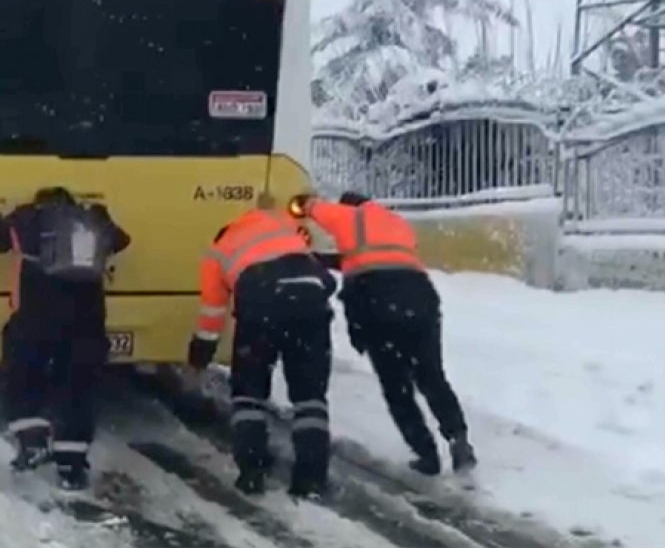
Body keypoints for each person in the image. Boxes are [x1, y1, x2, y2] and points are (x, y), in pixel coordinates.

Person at [294, 191, 477, 476]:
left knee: (396, 386)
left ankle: (426, 454)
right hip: (420, 295)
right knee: (431, 375)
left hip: (376, 300)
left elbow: (311, 207)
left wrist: (301, 205)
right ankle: (459, 439)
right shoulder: (397, 222)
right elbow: (366, 256)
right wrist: (322, 258)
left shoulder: (348, 216)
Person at [0, 186, 130, 490]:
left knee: (23, 375)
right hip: (87, 322)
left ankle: (32, 442)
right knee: (77, 387)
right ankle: (72, 466)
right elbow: (122, 241)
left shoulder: (28, 219)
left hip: (36, 318)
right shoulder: (92, 221)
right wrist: (97, 217)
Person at [187, 204, 338, 497]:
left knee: (249, 394)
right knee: (310, 398)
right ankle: (311, 479)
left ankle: (252, 473)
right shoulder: (278, 220)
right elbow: (322, 268)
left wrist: (199, 356)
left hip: (260, 306)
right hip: (311, 303)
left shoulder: (217, 253)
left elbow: (211, 315)